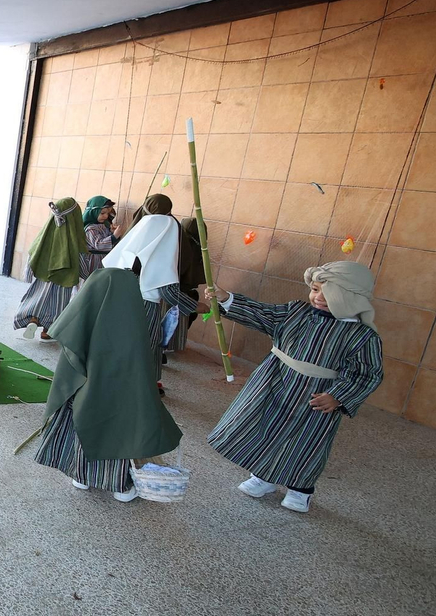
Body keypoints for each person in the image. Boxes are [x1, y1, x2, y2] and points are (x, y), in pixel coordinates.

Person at [206, 263, 384, 514]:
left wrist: (338, 396)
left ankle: (300, 489)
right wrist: (228, 299)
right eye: (314, 289)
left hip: (317, 396)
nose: (318, 297)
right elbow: (264, 314)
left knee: (305, 441)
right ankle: (263, 476)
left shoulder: (362, 336)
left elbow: (367, 373)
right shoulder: (296, 312)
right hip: (275, 382)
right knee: (265, 428)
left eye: (328, 293)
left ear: (351, 297)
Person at [31, 267, 181, 503]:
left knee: (82, 428)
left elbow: (70, 365)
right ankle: (118, 486)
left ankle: (81, 475)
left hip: (82, 401)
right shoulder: (133, 327)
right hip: (118, 406)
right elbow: (140, 372)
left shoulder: (82, 323)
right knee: (117, 436)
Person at [102, 195, 202, 391]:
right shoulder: (167, 228)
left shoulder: (141, 228)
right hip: (146, 305)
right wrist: (196, 306)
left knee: (124, 340)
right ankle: (146, 383)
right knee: (148, 343)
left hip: (123, 299)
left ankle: (117, 376)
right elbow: (168, 289)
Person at [13, 197, 88, 340]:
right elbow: (81, 258)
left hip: (43, 275)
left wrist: (29, 273)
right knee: (57, 305)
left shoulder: (47, 231)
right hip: (64, 278)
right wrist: (86, 276)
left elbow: (33, 251)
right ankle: (47, 332)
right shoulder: (74, 237)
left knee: (38, 298)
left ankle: (33, 319)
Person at [164, 216, 207, 355]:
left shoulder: (195, 247)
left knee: (181, 319)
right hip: (176, 292)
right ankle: (163, 348)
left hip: (184, 291)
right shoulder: (180, 247)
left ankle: (167, 347)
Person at [79, 195, 117, 279]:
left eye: (108, 213)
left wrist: (111, 232)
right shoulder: (90, 229)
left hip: (101, 261)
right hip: (93, 263)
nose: (106, 216)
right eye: (102, 213)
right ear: (93, 212)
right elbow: (99, 244)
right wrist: (114, 236)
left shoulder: (102, 225)